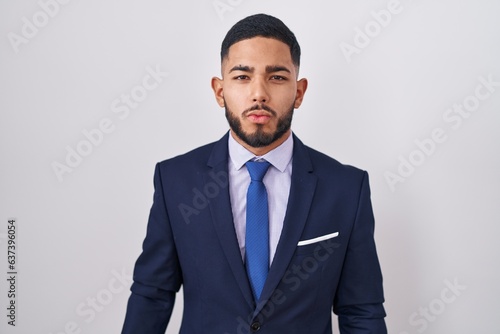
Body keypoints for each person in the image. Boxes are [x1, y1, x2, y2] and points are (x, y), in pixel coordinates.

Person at [122, 13, 387, 334]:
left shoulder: (346, 188)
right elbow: (152, 294)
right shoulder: (175, 180)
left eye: (276, 77)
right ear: (219, 91)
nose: (258, 93)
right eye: (242, 77)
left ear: (299, 92)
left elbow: (360, 310)